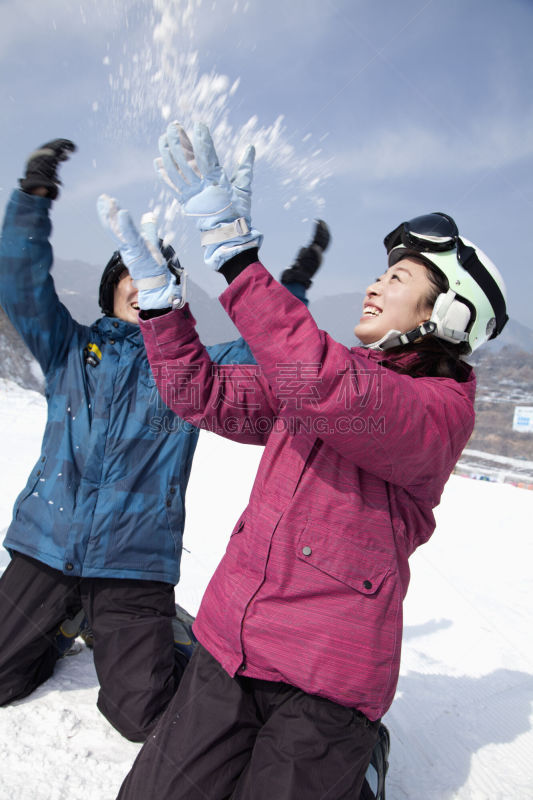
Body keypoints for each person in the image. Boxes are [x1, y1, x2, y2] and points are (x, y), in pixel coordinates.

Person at [111, 122, 508, 799]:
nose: (373, 286)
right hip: (230, 646)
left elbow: (325, 390)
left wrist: (239, 261)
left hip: (326, 683)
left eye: (398, 277)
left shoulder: (438, 412)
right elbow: (201, 393)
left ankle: (361, 769)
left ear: (446, 310)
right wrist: (161, 307)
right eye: (379, 272)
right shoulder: (330, 375)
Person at [0, 139, 328, 742]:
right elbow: (20, 285)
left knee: (143, 714)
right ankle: (61, 619)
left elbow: (271, 358)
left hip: (133, 561)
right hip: (47, 545)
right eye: (127, 270)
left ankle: (167, 634)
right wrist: (31, 199)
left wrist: (292, 285)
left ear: (171, 296)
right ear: (110, 288)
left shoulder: (191, 368)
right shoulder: (71, 350)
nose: (137, 281)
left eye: (153, 274)